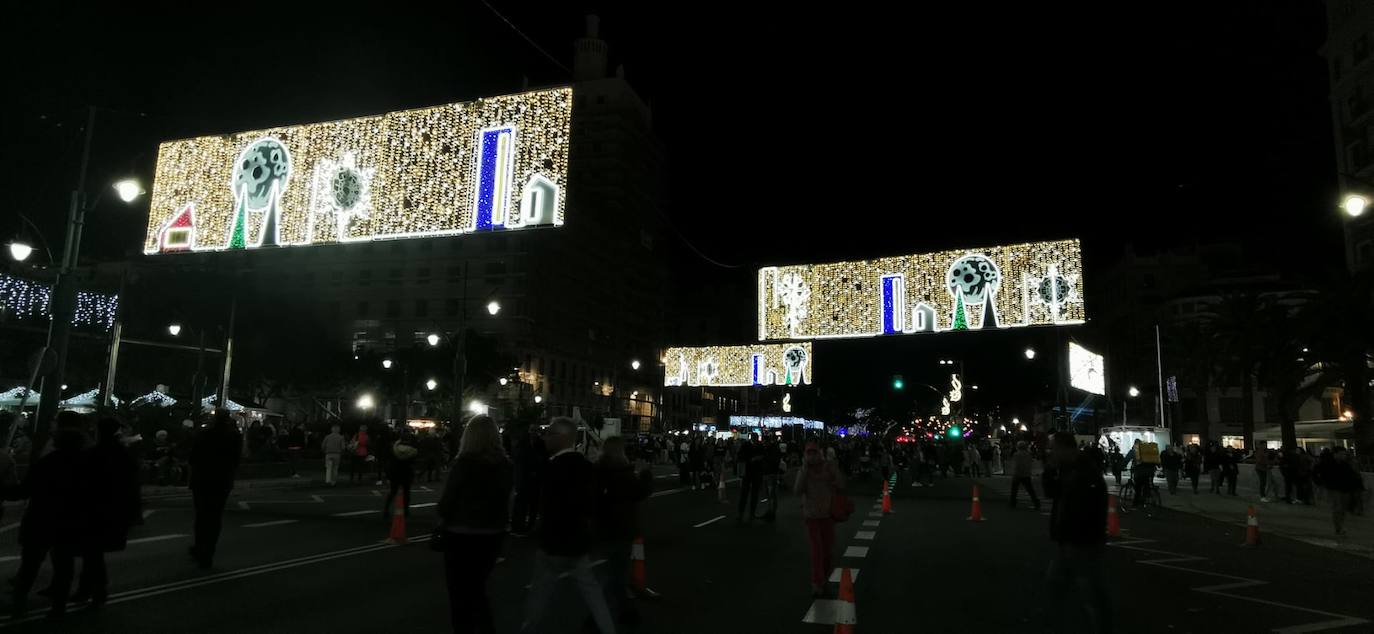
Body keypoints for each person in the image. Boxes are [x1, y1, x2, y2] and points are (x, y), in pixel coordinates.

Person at [521, 417, 616, 634]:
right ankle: (608, 629)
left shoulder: (552, 467)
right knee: (592, 593)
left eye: (550, 434)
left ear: (562, 438)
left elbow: (547, 505)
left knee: (539, 594)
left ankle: (528, 629)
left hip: (553, 542)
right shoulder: (586, 466)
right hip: (578, 540)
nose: (546, 438)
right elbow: (593, 502)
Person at [437, 415, 513, 634]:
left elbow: (448, 499)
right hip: (493, 533)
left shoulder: (464, 464)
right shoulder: (505, 466)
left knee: (459, 593)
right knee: (477, 588)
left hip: (461, 532)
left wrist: (443, 515)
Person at [12, 411, 88, 619]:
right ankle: (59, 606)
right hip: (69, 520)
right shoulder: (86, 463)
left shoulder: (48, 462)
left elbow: (25, 489)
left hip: (41, 517)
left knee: (30, 565)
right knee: (64, 565)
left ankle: (18, 603)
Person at [1043, 431, 1110, 633]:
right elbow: (1052, 493)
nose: (1050, 452)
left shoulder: (1084, 471)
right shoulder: (1067, 469)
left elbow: (1088, 507)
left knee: (1089, 590)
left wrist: (1077, 536)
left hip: (1082, 541)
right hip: (1069, 539)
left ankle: (1099, 627)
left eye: (1053, 448)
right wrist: (1049, 470)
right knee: (1059, 586)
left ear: (1064, 448)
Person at [74, 417, 139, 607]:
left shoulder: (93, 453)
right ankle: (90, 589)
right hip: (114, 507)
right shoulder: (122, 454)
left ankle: (95, 590)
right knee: (93, 552)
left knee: (91, 551)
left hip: (94, 507)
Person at [594, 436, 653, 625]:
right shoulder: (623, 473)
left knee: (613, 572)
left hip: (603, 528)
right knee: (616, 575)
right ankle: (602, 616)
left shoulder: (598, 471)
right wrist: (644, 473)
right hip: (623, 528)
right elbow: (641, 491)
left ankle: (624, 611)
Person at [188, 409, 242, 569]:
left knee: (201, 515)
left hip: (202, 479)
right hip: (222, 480)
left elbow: (193, 456)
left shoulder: (204, 434)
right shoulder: (234, 437)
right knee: (215, 516)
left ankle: (200, 547)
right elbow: (237, 459)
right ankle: (208, 550)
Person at [795, 442, 844, 598]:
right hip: (812, 516)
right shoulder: (804, 471)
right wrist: (804, 470)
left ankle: (824, 579)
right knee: (817, 550)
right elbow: (797, 490)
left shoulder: (828, 468)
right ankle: (817, 582)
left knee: (827, 551)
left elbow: (841, 484)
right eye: (808, 453)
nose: (812, 456)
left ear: (820, 453)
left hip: (828, 514)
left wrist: (832, 476)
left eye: (814, 453)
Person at [1320, 447, 1365, 536]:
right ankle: (1338, 527)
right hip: (1334, 488)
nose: (1343, 456)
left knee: (1343, 509)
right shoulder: (1328, 463)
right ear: (1335, 454)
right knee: (1337, 508)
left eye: (1344, 454)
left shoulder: (1345, 464)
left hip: (1345, 489)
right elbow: (1323, 474)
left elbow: (1352, 475)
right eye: (1341, 454)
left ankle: (1340, 526)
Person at [383, 431, 418, 521]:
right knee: (406, 492)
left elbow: (390, 460)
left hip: (395, 472)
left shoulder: (395, 449)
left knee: (393, 491)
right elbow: (414, 462)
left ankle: (386, 509)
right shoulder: (412, 451)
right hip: (406, 472)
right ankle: (406, 510)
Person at [737, 434, 765, 523]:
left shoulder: (759, 446)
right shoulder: (746, 445)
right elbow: (741, 455)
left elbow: (763, 456)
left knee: (754, 493)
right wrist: (751, 459)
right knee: (745, 493)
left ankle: (750, 513)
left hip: (756, 471)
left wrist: (757, 459)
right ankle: (741, 513)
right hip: (748, 471)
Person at [1008, 441, 1041, 510]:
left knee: (1014, 490)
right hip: (1026, 473)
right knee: (1030, 489)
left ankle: (1012, 503)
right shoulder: (1028, 454)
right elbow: (1030, 463)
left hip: (1018, 473)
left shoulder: (1016, 454)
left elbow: (1016, 465)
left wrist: (1014, 473)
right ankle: (1036, 502)